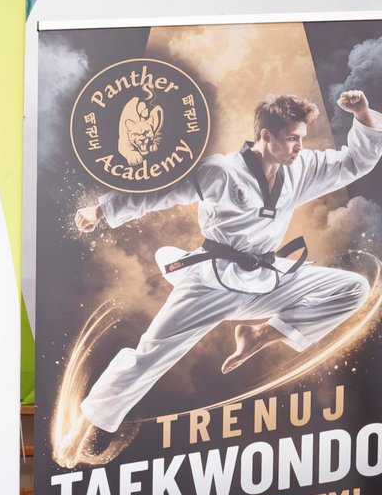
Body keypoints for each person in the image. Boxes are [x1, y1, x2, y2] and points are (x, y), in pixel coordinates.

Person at [77, 90, 379, 432]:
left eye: (301, 139)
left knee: (353, 288)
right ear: (266, 135)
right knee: (152, 353)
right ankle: (91, 421)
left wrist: (362, 113)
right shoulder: (220, 171)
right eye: (292, 138)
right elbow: (160, 190)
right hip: (213, 282)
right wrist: (101, 210)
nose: (299, 147)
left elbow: (354, 162)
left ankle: (260, 334)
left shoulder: (300, 168)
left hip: (266, 278)